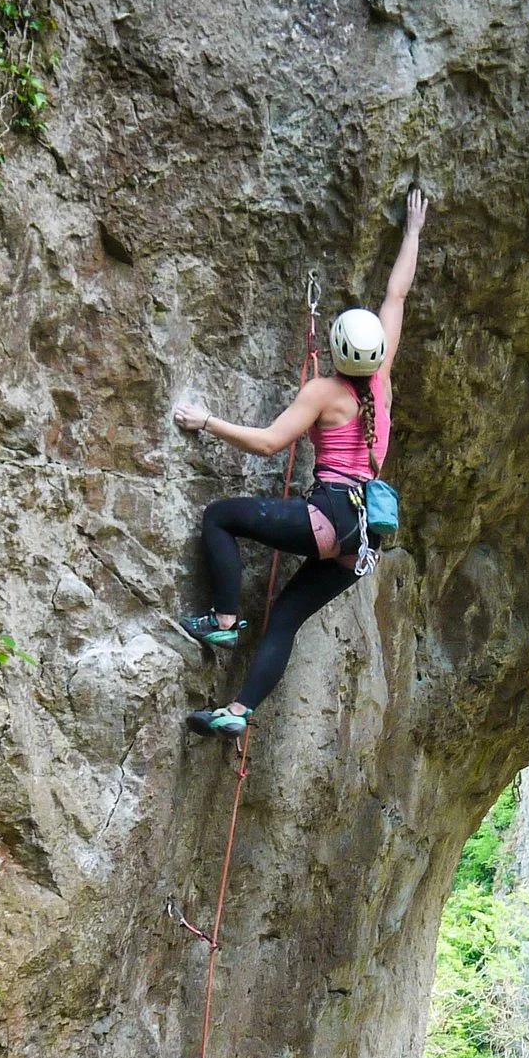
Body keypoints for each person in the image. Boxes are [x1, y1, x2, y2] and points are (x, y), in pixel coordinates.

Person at [171, 188, 429, 736]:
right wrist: (412, 231)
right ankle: (237, 713)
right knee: (284, 617)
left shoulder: (322, 391)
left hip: (330, 514)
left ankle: (221, 621)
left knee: (220, 515)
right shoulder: (380, 384)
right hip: (364, 538)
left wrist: (207, 421)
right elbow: (397, 296)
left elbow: (268, 444)